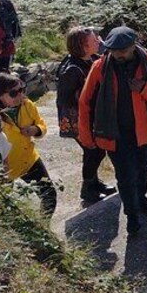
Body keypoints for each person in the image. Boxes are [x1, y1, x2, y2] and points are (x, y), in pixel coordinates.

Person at [77, 26, 147, 236]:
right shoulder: (99, 67)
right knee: (124, 176)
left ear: (134, 45)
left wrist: (144, 88)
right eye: (114, 50)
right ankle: (132, 216)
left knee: (141, 169)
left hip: (145, 131)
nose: (119, 54)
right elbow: (85, 102)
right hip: (114, 134)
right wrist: (86, 135)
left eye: (123, 49)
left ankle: (141, 199)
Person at [56, 26, 116, 203]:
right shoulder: (72, 70)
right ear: (83, 45)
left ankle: (95, 183)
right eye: (94, 39)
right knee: (94, 151)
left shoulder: (91, 58)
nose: (98, 41)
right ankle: (87, 189)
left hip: (89, 116)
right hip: (77, 119)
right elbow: (67, 99)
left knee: (96, 151)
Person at [0, 73, 57, 217]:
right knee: (4, 208)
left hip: (29, 160)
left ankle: (44, 229)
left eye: (22, 89)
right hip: (4, 168)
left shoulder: (28, 105)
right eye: (14, 93)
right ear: (0, 95)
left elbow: (41, 124)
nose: (20, 95)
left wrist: (36, 129)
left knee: (49, 195)